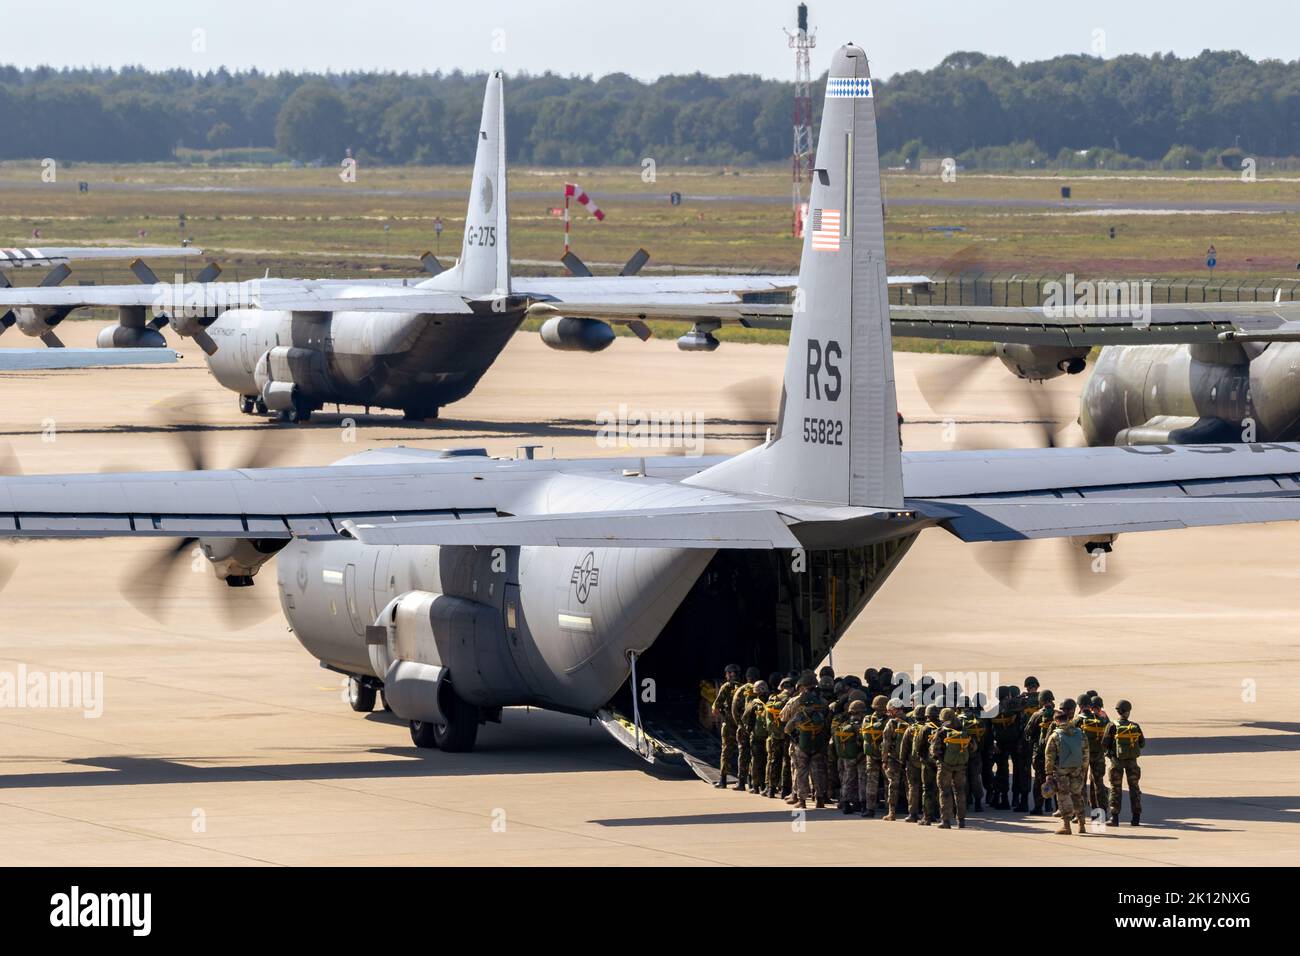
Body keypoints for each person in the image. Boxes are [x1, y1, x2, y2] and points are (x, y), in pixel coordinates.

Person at [783, 673, 829, 809]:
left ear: (802, 686)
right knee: (818, 771)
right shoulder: (823, 703)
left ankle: (800, 798)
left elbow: (784, 719)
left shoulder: (796, 701)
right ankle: (819, 798)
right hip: (818, 742)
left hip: (801, 743)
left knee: (800, 771)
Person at [1044, 699, 1090, 835]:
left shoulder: (1055, 735)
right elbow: (1086, 753)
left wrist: (1048, 773)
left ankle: (1066, 826)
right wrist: (1083, 769)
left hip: (1061, 770)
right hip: (1077, 769)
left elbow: (1049, 757)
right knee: (1077, 795)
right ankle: (1082, 825)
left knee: (1063, 796)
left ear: (1057, 721)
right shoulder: (1080, 733)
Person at [1104, 699, 1145, 827]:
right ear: (1128, 712)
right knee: (1135, 789)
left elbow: (1104, 743)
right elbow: (1142, 744)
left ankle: (1114, 818)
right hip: (1132, 763)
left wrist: (1110, 753)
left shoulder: (1112, 725)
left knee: (1115, 789)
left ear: (1117, 711)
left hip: (1116, 762)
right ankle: (1136, 818)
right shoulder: (1135, 726)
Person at [931, 707, 972, 829]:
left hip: (945, 767)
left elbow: (934, 750)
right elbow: (973, 747)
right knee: (960, 792)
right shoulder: (963, 730)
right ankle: (961, 821)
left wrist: (938, 759)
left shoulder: (941, 731)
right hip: (960, 767)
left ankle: (946, 821)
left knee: (945, 793)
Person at [1023, 689, 1057, 814]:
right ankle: (1054, 806)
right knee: (1055, 779)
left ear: (1041, 701)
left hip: (1040, 753)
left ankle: (1038, 807)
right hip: (1055, 754)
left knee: (1039, 780)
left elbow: (1028, 732)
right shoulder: (1058, 714)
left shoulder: (1037, 715)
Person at [731, 667, 763, 792]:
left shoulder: (741, 690)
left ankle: (741, 782)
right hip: (757, 728)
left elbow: (734, 708)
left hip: (744, 727)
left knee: (743, 754)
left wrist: (739, 724)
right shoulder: (761, 687)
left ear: (747, 677)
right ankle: (754, 782)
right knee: (756, 755)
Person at [711, 664, 742, 788]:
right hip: (741, 724)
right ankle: (745, 781)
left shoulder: (726, 687)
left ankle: (723, 781)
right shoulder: (745, 687)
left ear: (730, 674)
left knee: (726, 751)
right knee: (744, 751)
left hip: (729, 724)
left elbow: (715, 708)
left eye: (727, 673)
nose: (726, 675)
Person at [834, 699, 867, 813]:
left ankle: (846, 803)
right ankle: (862, 804)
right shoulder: (861, 725)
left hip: (847, 757)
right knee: (862, 779)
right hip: (860, 756)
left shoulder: (844, 724)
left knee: (848, 779)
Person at [881, 698, 911, 821]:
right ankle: (912, 812)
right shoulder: (911, 720)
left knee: (893, 786)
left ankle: (892, 813)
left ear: (893, 710)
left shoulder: (891, 723)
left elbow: (886, 743)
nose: (888, 713)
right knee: (910, 786)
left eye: (889, 711)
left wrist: (884, 759)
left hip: (894, 759)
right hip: (908, 759)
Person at [859, 695, 889, 817]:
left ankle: (870, 809)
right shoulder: (889, 721)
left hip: (870, 755)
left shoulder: (867, 720)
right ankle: (890, 808)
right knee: (888, 782)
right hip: (885, 755)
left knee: (871, 782)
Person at [764, 678, 795, 798]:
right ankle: (785, 790)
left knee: (774, 761)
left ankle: (771, 789)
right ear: (792, 688)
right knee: (786, 761)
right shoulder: (791, 701)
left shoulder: (772, 699)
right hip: (787, 736)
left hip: (774, 735)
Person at [1080, 694, 1111, 810]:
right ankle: (1100, 812)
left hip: (1083, 755)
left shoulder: (1081, 719)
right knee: (1098, 783)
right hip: (1098, 755)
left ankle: (1080, 813)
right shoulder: (1103, 720)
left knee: (1081, 784)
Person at [741, 680, 771, 796]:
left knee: (756, 762)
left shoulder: (754, 703)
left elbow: (745, 717)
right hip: (768, 736)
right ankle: (765, 785)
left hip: (757, 737)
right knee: (767, 761)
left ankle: (756, 786)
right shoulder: (771, 700)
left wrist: (748, 729)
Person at [917, 704, 942, 825]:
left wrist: (922, 757)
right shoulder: (943, 727)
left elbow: (919, 746)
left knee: (927, 789)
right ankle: (938, 813)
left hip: (927, 763)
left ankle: (927, 816)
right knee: (939, 788)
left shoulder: (925, 728)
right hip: (940, 762)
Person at [963, 699, 990, 813]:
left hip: (962, 753)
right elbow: (986, 736)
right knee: (975, 777)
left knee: (964, 777)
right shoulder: (978, 719)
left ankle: (966, 801)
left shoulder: (957, 719)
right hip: (976, 753)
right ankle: (978, 803)